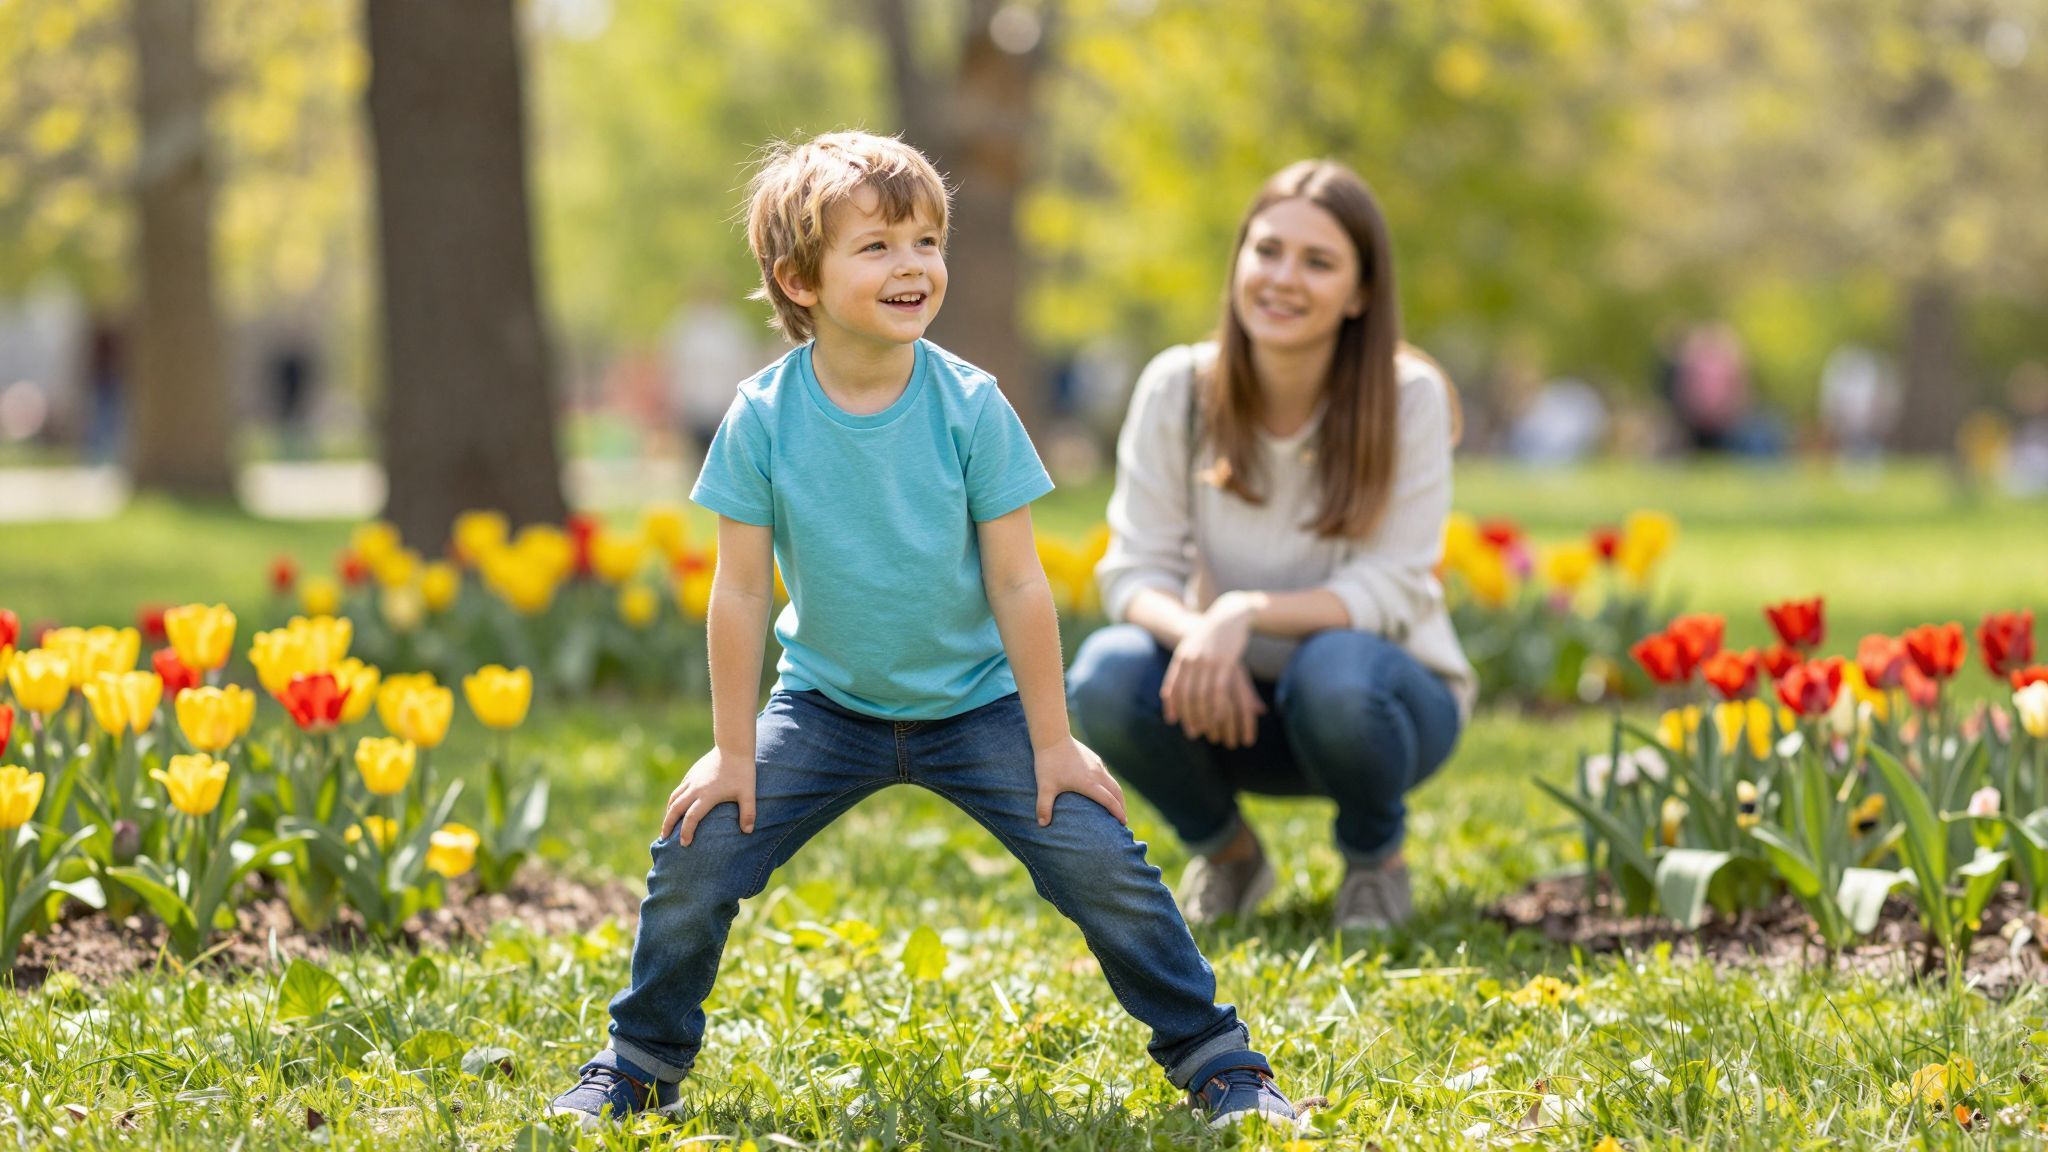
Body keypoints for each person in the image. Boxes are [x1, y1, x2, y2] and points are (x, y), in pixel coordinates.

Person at [549, 132, 1299, 1129]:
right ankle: (638, 1063)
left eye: (927, 242)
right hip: (824, 707)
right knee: (698, 849)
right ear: (798, 280)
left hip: (977, 707)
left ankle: (1219, 1061)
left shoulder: (970, 405)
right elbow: (738, 594)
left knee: (1098, 858)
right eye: (878, 247)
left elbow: (1019, 581)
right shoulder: (762, 415)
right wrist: (733, 753)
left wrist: (1052, 742)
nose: (913, 266)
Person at [1068, 160, 1477, 934]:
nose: (1283, 278)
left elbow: (1392, 586)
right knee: (1106, 674)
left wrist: (1245, 611)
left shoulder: (1407, 397)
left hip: (1379, 706)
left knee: (1335, 671)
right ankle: (1230, 856)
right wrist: (1202, 635)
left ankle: (1375, 860)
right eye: (1267, 251)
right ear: (1239, 263)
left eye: (1318, 262)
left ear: (1359, 293)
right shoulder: (1178, 389)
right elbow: (1132, 571)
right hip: (1228, 706)